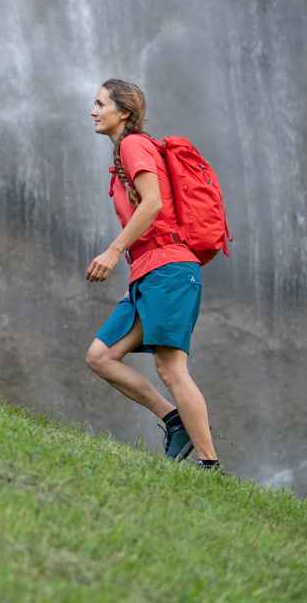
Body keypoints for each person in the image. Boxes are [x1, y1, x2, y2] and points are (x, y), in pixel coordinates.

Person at [84, 79, 220, 469]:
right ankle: (174, 420)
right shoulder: (123, 154)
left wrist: (113, 251)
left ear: (123, 112)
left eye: (100, 104)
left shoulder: (133, 145)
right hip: (150, 272)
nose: (93, 111)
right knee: (101, 356)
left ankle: (209, 464)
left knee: (171, 366)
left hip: (169, 269)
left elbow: (153, 204)